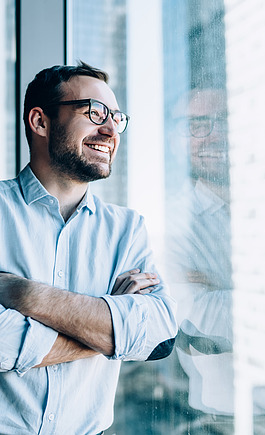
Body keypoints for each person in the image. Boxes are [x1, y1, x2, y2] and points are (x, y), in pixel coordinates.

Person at [0, 62, 177, 434]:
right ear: (40, 122)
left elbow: (159, 335)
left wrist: (27, 296)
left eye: (116, 117)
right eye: (94, 112)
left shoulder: (128, 229)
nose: (111, 129)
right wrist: (109, 323)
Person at [164, 87, 234, 434]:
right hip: (227, 417)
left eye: (226, 120)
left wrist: (222, 290)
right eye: (198, 125)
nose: (216, 134)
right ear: (173, 139)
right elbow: (198, 318)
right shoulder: (171, 223)